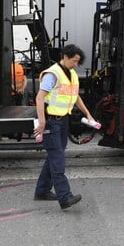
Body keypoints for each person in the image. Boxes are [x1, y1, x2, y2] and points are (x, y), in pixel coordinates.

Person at [33, 44, 96, 210]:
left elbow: (76, 98)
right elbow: (39, 98)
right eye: (74, 61)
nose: (76, 64)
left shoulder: (72, 74)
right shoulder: (53, 74)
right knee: (57, 159)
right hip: (52, 121)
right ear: (65, 57)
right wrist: (42, 122)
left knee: (55, 155)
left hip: (63, 121)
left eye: (77, 62)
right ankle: (65, 196)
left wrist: (88, 114)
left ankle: (42, 191)